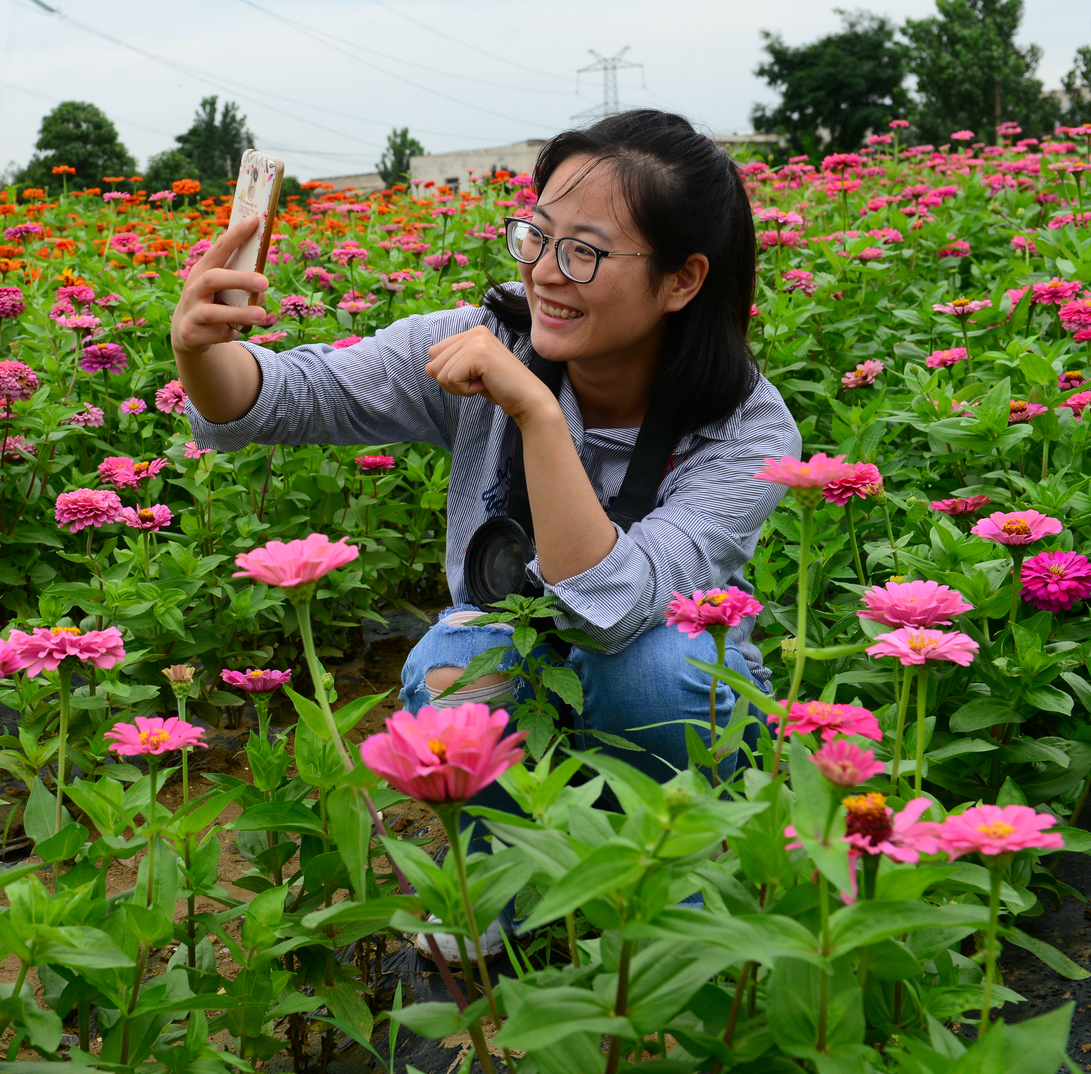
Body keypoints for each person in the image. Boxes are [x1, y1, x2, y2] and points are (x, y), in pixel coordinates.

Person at [173, 110, 799, 787]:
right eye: (537, 235)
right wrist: (201, 349)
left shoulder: (747, 430)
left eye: (583, 251)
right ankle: (497, 880)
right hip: (513, 641)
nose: (545, 273)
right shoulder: (486, 339)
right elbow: (296, 393)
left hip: (671, 684)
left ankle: (669, 874)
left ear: (682, 279)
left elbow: (618, 604)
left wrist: (536, 411)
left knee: (653, 676)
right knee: (455, 667)